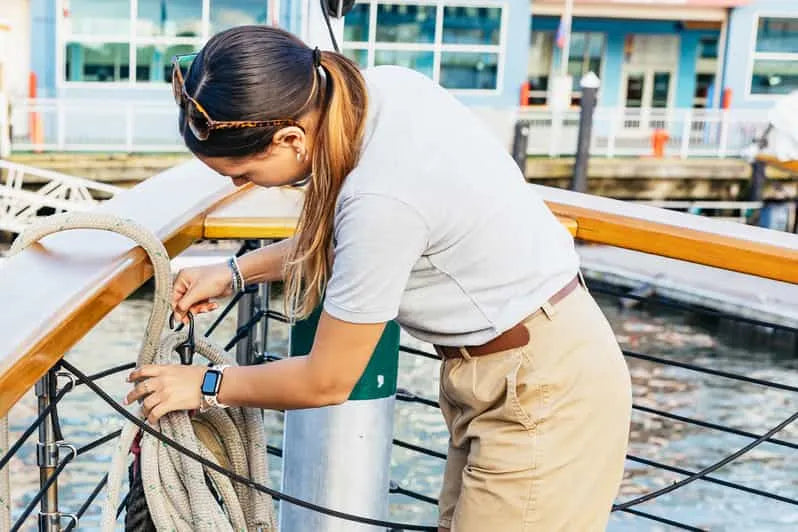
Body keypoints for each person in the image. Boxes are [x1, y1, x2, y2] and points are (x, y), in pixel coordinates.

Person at [124, 25, 632, 531]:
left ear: (291, 138)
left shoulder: (380, 199)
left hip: (540, 387)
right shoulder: (381, 91)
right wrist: (236, 272)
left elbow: (326, 379)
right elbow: (352, 239)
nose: (239, 185)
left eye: (245, 174)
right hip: (515, 367)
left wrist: (205, 385)